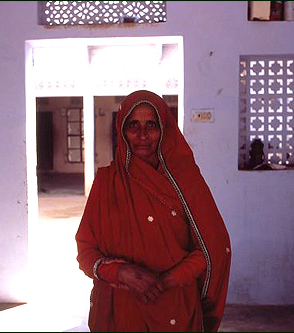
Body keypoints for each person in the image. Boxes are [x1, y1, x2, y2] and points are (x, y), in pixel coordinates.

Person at [75, 90, 231, 332]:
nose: (142, 134)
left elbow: (211, 247)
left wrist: (162, 282)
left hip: (174, 310)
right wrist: (120, 272)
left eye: (151, 125)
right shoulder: (106, 182)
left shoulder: (185, 181)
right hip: (120, 314)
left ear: (165, 129)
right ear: (121, 130)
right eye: (133, 125)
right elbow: (85, 252)